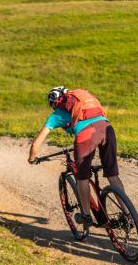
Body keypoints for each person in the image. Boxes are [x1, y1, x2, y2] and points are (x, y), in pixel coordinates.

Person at [28, 86, 124, 224]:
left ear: (53, 103)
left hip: (86, 135)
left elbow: (36, 144)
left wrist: (32, 158)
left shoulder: (57, 114)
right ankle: (127, 215)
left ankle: (85, 215)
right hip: (107, 129)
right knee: (112, 175)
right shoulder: (83, 101)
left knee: (82, 177)